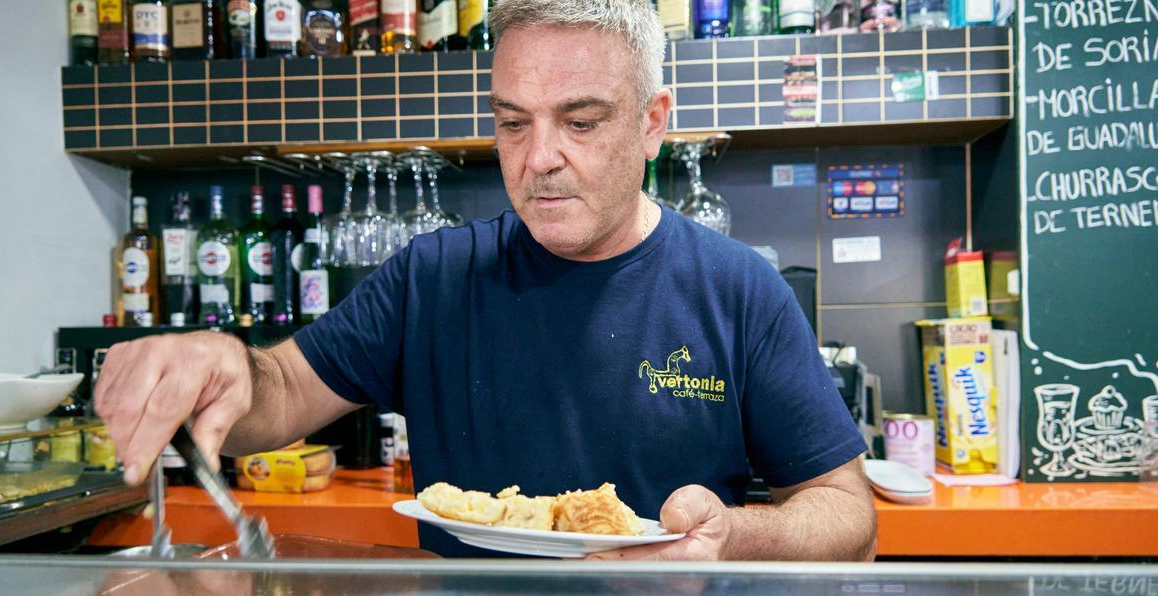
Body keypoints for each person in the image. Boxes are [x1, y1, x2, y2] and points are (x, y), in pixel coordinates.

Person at [95, 0, 876, 561]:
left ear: (651, 121)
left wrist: (731, 536)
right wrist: (229, 363)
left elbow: (849, 517)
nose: (538, 157)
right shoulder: (434, 278)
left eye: (580, 121)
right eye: (512, 121)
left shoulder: (739, 290)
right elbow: (281, 391)